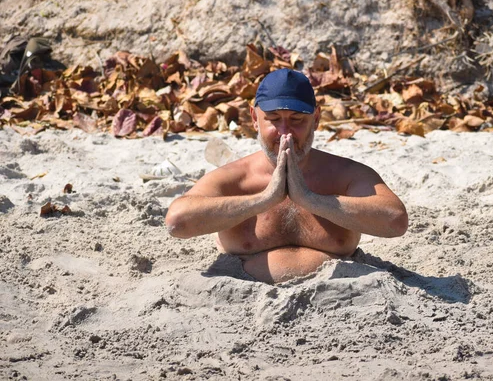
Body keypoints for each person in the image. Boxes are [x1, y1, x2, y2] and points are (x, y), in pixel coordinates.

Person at [166, 68, 408, 283]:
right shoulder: (235, 178)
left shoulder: (345, 175)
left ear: (316, 118)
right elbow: (177, 223)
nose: (284, 133)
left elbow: (396, 221)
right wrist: (264, 199)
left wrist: (310, 199)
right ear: (254, 118)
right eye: (273, 120)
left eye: (296, 120)